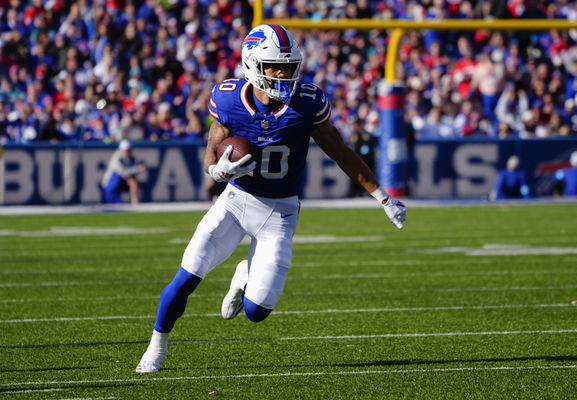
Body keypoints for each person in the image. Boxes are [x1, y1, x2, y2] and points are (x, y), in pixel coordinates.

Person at [136, 24, 407, 373]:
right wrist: (215, 172)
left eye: (289, 66)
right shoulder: (229, 99)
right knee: (187, 275)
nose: (282, 74)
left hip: (280, 212)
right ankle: (156, 347)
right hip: (236, 201)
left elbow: (341, 152)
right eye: (274, 67)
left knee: (257, 311)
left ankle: (243, 274)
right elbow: (211, 150)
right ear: (252, 64)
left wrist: (384, 198)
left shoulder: (308, 104)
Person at [101, 139, 147, 203]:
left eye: (128, 150)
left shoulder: (131, 158)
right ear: (120, 149)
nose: (126, 152)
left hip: (121, 183)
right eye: (125, 150)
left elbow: (129, 173)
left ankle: (135, 202)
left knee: (132, 179)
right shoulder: (116, 158)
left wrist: (136, 170)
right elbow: (123, 172)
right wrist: (137, 169)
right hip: (111, 185)